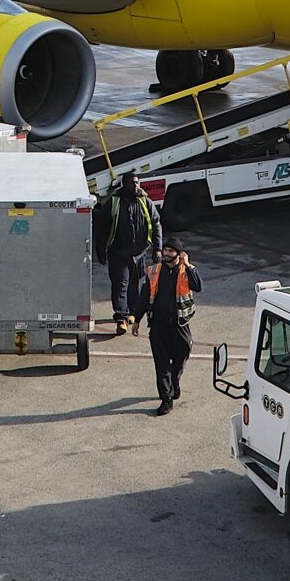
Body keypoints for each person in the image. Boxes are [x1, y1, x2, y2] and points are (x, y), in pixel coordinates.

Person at [130, 242, 202, 415]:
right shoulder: (154, 271)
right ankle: (166, 399)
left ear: (179, 254)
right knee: (161, 364)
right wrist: (136, 318)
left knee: (180, 357)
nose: (166, 253)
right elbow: (144, 295)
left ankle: (175, 381)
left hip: (180, 325)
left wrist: (189, 265)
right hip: (158, 325)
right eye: (165, 250)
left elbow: (198, 286)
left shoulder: (186, 270)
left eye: (171, 251)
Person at [92, 175, 159, 335]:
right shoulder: (114, 203)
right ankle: (121, 317)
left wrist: (158, 248)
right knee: (120, 284)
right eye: (132, 183)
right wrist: (101, 251)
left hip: (139, 253)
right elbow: (102, 228)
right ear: (124, 185)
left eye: (137, 183)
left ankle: (132, 312)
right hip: (118, 252)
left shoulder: (144, 201)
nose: (136, 186)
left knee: (134, 283)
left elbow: (156, 223)